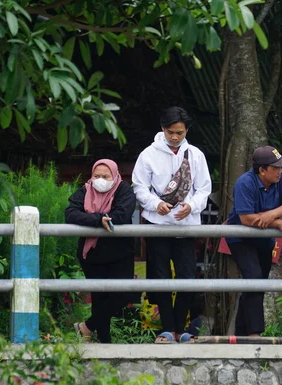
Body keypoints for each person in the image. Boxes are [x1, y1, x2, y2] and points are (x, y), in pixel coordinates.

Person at [132, 106, 211, 344]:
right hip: (157, 224)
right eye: (170, 132)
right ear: (162, 129)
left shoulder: (196, 155)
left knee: (187, 277)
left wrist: (192, 206)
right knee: (161, 277)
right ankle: (167, 330)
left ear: (187, 130)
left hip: (186, 225)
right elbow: (139, 187)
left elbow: (204, 188)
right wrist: (155, 204)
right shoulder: (148, 155)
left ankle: (182, 329)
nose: (175, 137)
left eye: (179, 132)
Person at [226, 146, 282, 336]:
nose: (280, 171)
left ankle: (240, 334)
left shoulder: (281, 178)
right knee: (253, 279)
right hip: (241, 238)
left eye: (281, 167)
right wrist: (277, 222)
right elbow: (246, 218)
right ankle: (255, 334)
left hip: (264, 239)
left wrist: (272, 215)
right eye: (275, 167)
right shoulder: (245, 183)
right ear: (262, 170)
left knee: (258, 282)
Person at [65, 159, 137, 343]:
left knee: (124, 293)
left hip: (120, 252)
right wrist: (98, 219)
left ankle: (86, 327)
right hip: (93, 255)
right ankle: (104, 341)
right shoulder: (85, 191)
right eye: (96, 176)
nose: (100, 180)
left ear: (115, 175)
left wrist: (101, 218)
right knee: (99, 298)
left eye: (106, 176)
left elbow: (122, 214)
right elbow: (71, 213)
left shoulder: (124, 190)